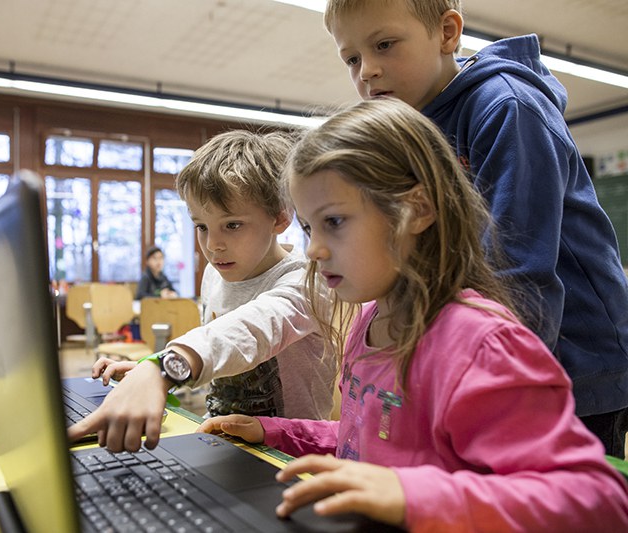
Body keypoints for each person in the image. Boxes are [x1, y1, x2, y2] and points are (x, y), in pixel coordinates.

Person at [198, 98, 628, 531]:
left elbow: (596, 498)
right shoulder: (370, 321)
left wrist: (409, 494)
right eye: (310, 228)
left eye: (335, 221)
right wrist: (275, 433)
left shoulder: (480, 345)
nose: (313, 250)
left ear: (417, 210)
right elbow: (364, 446)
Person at [322, 0, 628, 458]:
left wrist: (482, 384)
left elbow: (516, 269)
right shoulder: (415, 126)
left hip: (575, 362)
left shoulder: (506, 107)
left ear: (447, 33)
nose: (367, 71)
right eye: (352, 58)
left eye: (384, 45)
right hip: (491, 347)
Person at [68, 129, 337, 451]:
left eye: (232, 225)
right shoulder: (214, 274)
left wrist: (165, 367)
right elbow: (219, 357)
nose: (213, 245)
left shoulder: (307, 281)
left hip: (289, 454)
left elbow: (250, 331)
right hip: (220, 438)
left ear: (280, 218)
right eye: (201, 227)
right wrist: (156, 372)